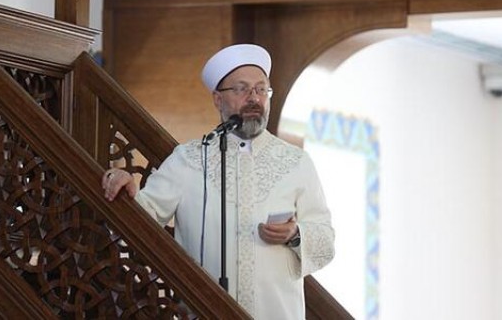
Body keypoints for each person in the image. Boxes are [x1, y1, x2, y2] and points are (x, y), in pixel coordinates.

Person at [102, 44, 335, 319]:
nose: (254, 98)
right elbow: (144, 214)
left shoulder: (296, 162)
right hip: (203, 311)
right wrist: (124, 183)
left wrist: (295, 234)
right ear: (217, 99)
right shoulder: (189, 159)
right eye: (241, 89)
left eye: (261, 89)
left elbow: (325, 241)